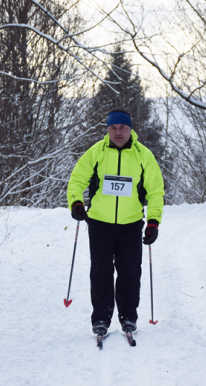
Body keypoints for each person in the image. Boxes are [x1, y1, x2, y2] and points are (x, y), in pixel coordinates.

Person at [67, 109, 165, 337]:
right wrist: (76, 203)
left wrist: (153, 221)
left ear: (131, 129)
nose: (118, 132)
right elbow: (76, 180)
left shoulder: (143, 155)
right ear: (107, 129)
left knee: (129, 271)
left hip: (131, 224)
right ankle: (101, 318)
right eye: (114, 127)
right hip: (99, 222)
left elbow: (156, 191)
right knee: (100, 271)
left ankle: (128, 316)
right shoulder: (96, 153)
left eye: (123, 127)